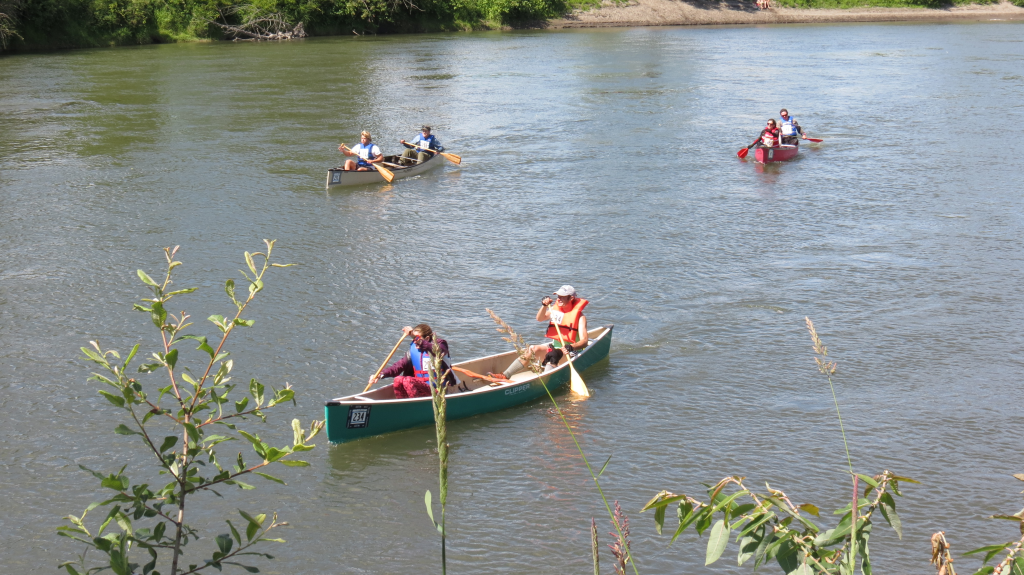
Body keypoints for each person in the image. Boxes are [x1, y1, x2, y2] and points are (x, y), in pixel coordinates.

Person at [491, 285, 589, 380]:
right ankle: (505, 375)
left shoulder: (580, 317)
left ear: (571, 298)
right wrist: (544, 306)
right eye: (558, 296)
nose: (558, 299)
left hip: (570, 352)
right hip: (555, 349)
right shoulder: (555, 310)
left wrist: (571, 347)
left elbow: (584, 341)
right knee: (532, 349)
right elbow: (540, 318)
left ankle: (545, 381)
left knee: (553, 356)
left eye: (562, 297)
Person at [368, 324, 457, 398]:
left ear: (426, 339)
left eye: (417, 338)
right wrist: (380, 375)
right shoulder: (413, 351)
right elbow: (397, 367)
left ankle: (416, 405)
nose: (415, 342)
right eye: (413, 339)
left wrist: (415, 337)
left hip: (438, 389)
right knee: (398, 379)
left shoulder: (440, 345)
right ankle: (403, 405)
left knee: (408, 381)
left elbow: (438, 351)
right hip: (419, 388)